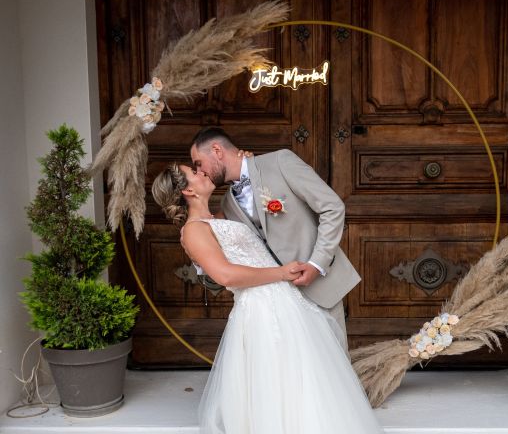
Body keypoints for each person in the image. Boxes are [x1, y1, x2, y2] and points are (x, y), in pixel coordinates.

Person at [152, 164, 383, 433]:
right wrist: (281, 272)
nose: (202, 171)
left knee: (301, 377)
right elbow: (225, 275)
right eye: (194, 171)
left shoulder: (219, 216)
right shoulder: (193, 231)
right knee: (276, 379)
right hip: (260, 308)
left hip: (284, 302)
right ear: (188, 189)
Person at [189, 127, 361, 352]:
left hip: (318, 283)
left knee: (333, 364)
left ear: (217, 150)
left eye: (199, 163)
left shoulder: (280, 162)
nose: (200, 172)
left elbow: (332, 208)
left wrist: (317, 264)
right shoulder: (227, 203)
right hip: (277, 300)